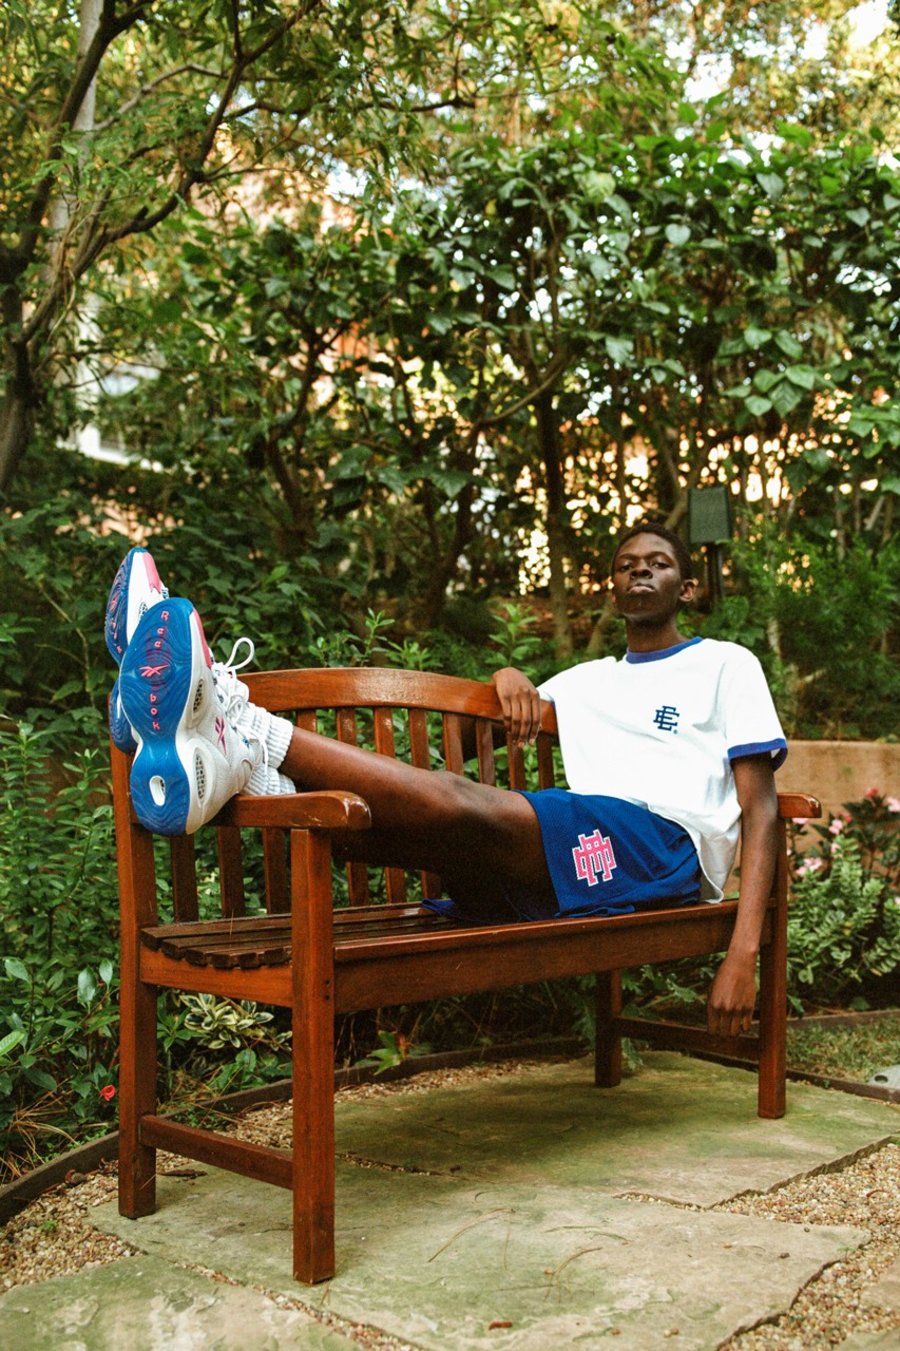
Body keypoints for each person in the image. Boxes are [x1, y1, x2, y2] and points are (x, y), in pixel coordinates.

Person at [105, 523, 787, 1038]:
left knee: (459, 810)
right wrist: (506, 679)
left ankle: (246, 727)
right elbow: (468, 741)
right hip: (580, 846)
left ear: (687, 587)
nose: (639, 571)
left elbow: (762, 810)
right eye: (626, 564)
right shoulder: (587, 681)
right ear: (610, 587)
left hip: (667, 846)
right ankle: (245, 769)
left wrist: (742, 952)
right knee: (388, 835)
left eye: (657, 563)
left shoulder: (727, 665)